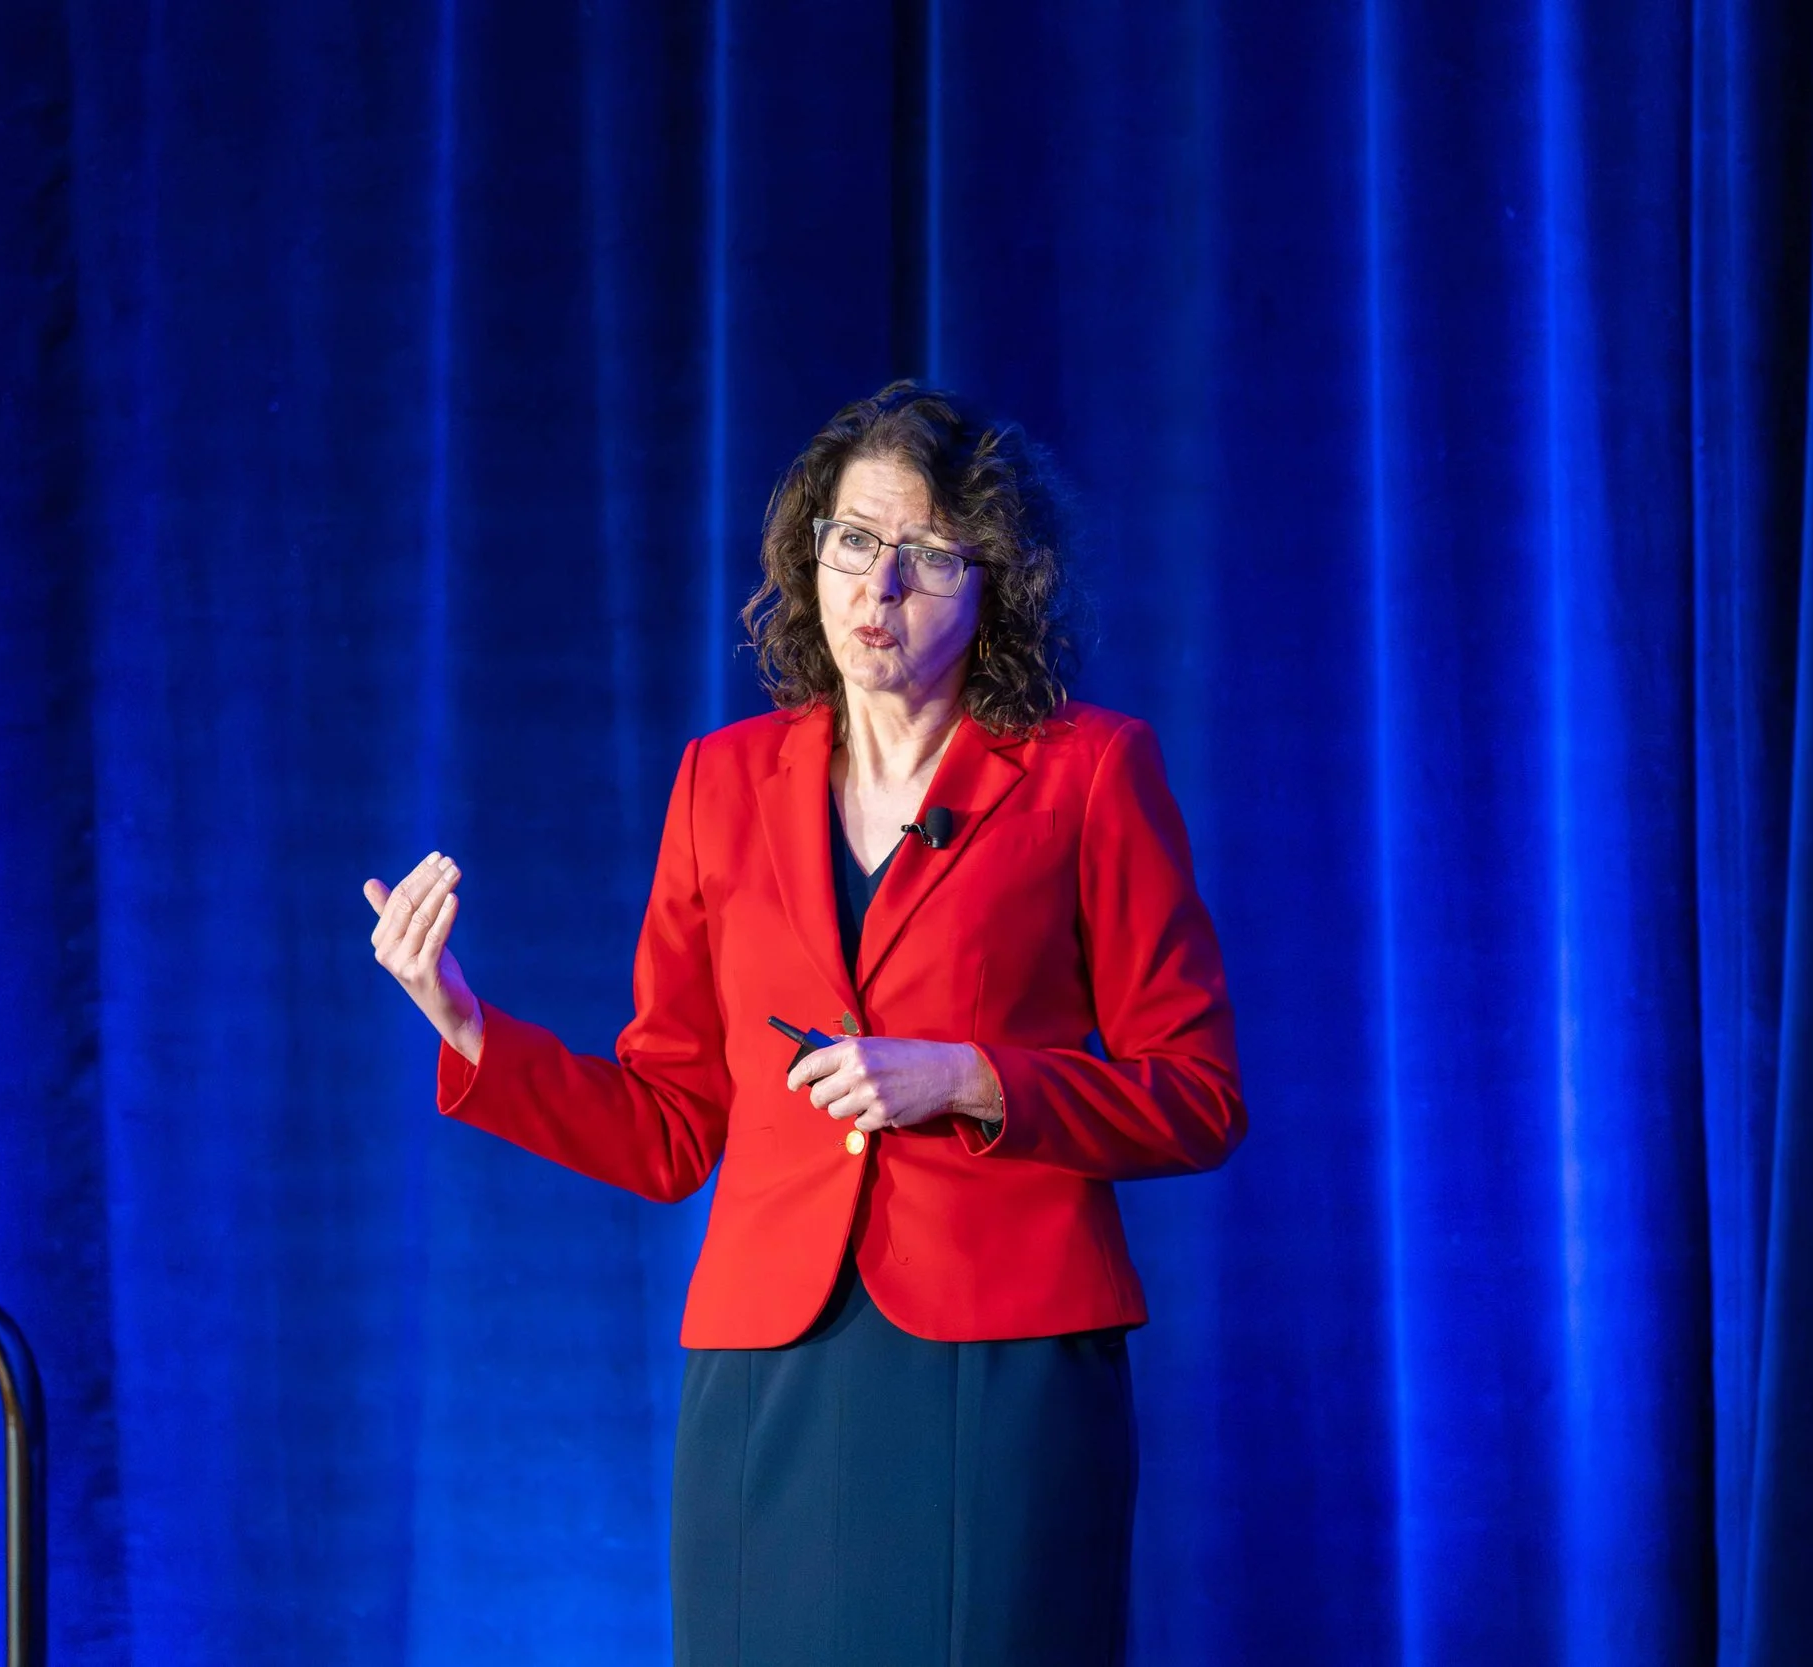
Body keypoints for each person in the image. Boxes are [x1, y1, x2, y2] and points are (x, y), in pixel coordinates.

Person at [363, 382, 1244, 1664]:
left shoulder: (1088, 772)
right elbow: (668, 1125)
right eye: (851, 541)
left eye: (927, 556)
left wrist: (970, 1077)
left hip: (999, 1368)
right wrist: (463, 1022)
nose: (876, 589)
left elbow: (1198, 1092)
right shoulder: (721, 782)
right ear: (807, 551)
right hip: (769, 1367)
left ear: (994, 578)